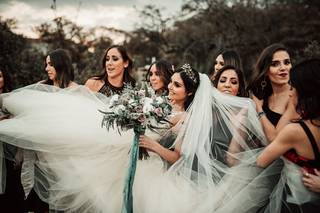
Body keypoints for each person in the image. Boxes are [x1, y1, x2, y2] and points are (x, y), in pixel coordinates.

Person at [0, 63, 267, 212]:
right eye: (171, 82)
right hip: (137, 162)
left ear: (188, 93)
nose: (170, 88)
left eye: (176, 85)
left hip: (161, 176)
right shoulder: (161, 106)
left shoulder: (188, 119)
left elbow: (177, 157)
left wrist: (150, 143)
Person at [256, 58, 320, 212]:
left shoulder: (294, 131)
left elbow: (261, 161)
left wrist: (291, 109)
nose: (289, 92)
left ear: (304, 91)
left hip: (297, 203)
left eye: (292, 87)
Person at [23, 48, 77, 213]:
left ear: (61, 65)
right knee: (40, 200)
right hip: (42, 156)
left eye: (51, 64)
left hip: (65, 158)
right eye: (46, 64)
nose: (47, 68)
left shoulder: (76, 91)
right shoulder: (41, 88)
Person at [247, 43, 300, 142]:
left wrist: (259, 109)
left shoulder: (295, 96)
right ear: (266, 71)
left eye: (287, 62)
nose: (283, 68)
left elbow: (275, 139)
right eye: (275, 64)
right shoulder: (263, 96)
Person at [0, 67, 25, 213]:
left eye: (0, 76)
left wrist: (20, 152)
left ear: (5, 79)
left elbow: (21, 127)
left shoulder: (11, 100)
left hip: (9, 151)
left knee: (13, 188)